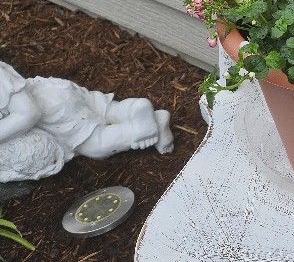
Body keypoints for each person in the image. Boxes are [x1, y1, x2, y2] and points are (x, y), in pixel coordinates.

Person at [0, 61, 173, 183]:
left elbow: (28, 113)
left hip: (52, 111)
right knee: (106, 109)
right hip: (51, 90)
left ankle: (144, 129)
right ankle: (134, 108)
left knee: (95, 144)